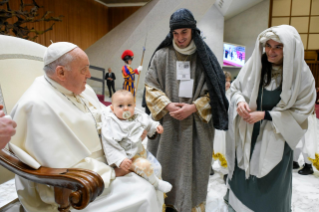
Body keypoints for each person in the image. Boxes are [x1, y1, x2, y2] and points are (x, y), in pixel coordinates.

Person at [9, 42, 164, 212]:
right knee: (144, 192)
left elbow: (105, 118)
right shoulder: (37, 106)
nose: (89, 75)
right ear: (61, 72)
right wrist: (112, 172)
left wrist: (129, 130)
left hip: (105, 162)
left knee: (152, 172)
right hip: (73, 187)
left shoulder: (83, 90)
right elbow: (59, 164)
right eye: (84, 69)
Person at [144, 8, 228, 212]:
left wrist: (193, 107)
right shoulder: (161, 56)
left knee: (194, 170)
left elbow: (216, 93)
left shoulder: (205, 58)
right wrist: (167, 104)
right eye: (175, 33)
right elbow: (150, 86)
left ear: (193, 31)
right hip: (167, 123)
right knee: (165, 168)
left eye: (184, 32)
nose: (180, 38)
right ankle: (165, 205)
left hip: (197, 127)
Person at [225, 25, 316, 212]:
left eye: (278, 47)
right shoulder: (254, 65)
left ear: (289, 49)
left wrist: (266, 115)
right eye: (268, 46)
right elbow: (235, 89)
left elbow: (302, 110)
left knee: (270, 181)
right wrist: (240, 101)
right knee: (244, 172)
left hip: (277, 137)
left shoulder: (302, 76)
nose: (270, 52)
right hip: (248, 133)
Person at [101, 89, 172, 193]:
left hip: (139, 150)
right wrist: (121, 159)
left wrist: (156, 126)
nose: (125, 108)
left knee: (157, 166)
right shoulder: (111, 124)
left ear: (134, 105)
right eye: (120, 106)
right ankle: (156, 184)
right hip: (127, 158)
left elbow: (147, 121)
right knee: (145, 166)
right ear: (112, 108)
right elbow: (109, 144)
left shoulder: (137, 116)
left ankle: (158, 189)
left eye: (129, 105)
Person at [212, 71, 232, 180]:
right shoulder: (216, 94)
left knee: (223, 147)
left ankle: (225, 171)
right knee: (214, 145)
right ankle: (210, 166)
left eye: (229, 81)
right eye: (226, 81)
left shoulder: (231, 94)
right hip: (216, 125)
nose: (228, 84)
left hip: (226, 126)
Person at [293, 107, 318, 175]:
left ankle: (308, 165)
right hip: (299, 113)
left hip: (306, 114)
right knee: (298, 140)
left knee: (307, 141)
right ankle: (294, 161)